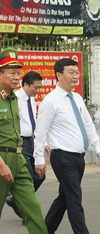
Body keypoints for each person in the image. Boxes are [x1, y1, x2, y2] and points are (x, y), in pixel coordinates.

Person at [0, 48, 47, 234]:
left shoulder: (14, 99)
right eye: (12, 73)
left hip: (18, 159)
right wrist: (0, 164)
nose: (17, 77)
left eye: (19, 73)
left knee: (32, 208)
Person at [33, 58, 100, 234]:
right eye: (71, 72)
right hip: (63, 158)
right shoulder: (51, 101)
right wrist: (39, 159)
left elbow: (88, 125)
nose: (76, 76)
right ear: (58, 75)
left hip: (79, 158)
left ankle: (44, 230)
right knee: (74, 201)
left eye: (77, 72)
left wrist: (98, 147)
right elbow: (40, 132)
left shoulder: (77, 98)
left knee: (65, 197)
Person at [5, 71, 46, 221]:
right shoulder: (15, 99)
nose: (38, 90)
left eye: (40, 87)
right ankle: (28, 213)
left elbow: (33, 121)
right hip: (21, 142)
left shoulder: (31, 99)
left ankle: (15, 200)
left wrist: (44, 143)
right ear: (26, 84)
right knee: (28, 177)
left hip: (32, 141)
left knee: (40, 176)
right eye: (36, 87)